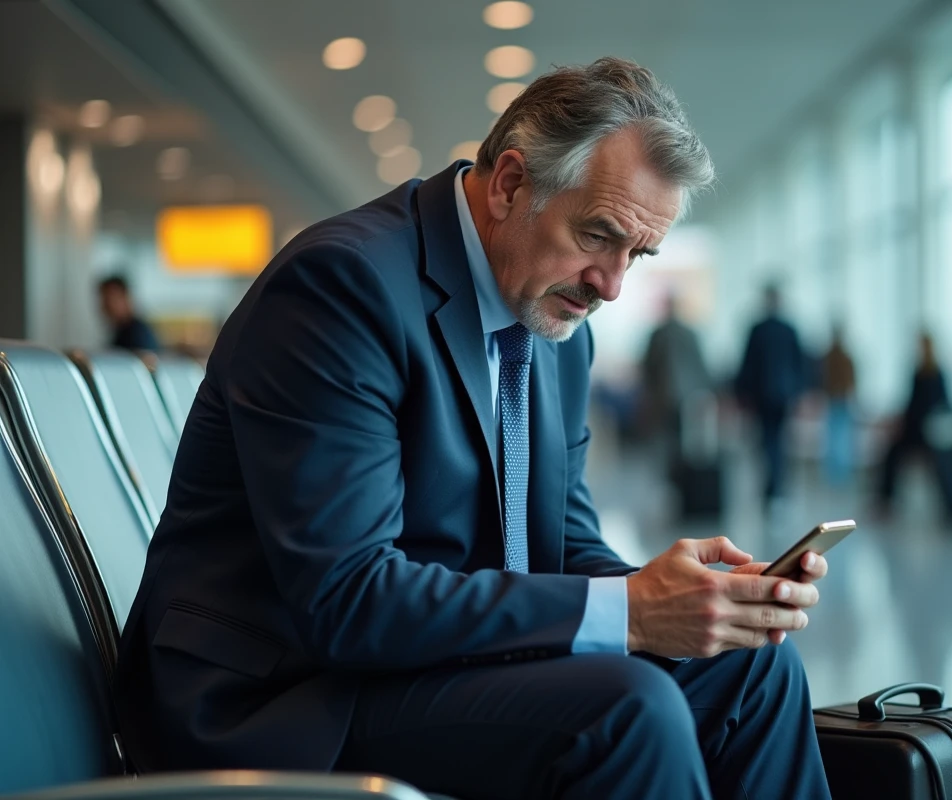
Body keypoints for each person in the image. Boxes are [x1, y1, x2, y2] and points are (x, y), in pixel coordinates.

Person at [114, 58, 833, 800]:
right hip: (289, 695)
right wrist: (633, 612)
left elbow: (563, 545)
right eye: (597, 235)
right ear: (511, 184)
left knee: (753, 667)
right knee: (626, 713)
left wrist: (692, 600)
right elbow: (347, 599)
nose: (613, 285)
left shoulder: (556, 324)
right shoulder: (342, 287)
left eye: (637, 255)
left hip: (425, 664)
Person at [735, 284, 813, 505]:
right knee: (777, 441)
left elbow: (748, 365)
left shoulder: (758, 330)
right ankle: (776, 487)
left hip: (763, 395)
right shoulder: (788, 330)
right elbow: (799, 364)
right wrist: (799, 392)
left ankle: (773, 487)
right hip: (783, 394)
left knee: (769, 440)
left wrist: (742, 393)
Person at [876, 330, 950, 513]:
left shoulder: (930, 374)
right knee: (892, 454)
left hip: (925, 432)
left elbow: (917, 406)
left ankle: (886, 500)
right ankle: (886, 500)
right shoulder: (929, 373)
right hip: (923, 432)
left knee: (894, 453)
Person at [639, 293, 710, 463]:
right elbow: (700, 366)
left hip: (663, 394)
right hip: (688, 394)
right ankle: (683, 469)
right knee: (685, 435)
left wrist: (648, 392)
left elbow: (648, 366)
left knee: (665, 438)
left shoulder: (658, 334)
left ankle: (672, 471)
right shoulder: (690, 333)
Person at [822, 326, 856, 486]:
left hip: (837, 399)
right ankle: (839, 474)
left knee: (836, 437)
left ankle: (837, 474)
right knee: (839, 438)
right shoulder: (841, 357)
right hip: (839, 399)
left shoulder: (831, 357)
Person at [98, 275, 159, 351]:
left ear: (125, 298)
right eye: (104, 300)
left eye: (111, 299)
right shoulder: (121, 332)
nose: (106, 306)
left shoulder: (138, 334)